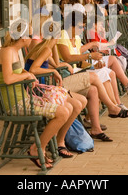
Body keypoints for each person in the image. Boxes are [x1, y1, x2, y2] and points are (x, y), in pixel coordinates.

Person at [0, 21, 76, 169]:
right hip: (16, 104)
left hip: (25, 99)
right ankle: (37, 148)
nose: (33, 38)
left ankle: (48, 144)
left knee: (69, 107)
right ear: (23, 37)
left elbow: (17, 72)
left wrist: (27, 73)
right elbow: (8, 79)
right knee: (63, 112)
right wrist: (27, 76)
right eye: (30, 35)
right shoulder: (7, 52)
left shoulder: (13, 51)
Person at [24, 22, 88, 158]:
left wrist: (58, 64)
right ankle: (60, 141)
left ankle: (60, 139)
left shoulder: (47, 47)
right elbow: (33, 69)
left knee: (82, 100)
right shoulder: (45, 49)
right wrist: (53, 71)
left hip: (43, 87)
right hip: (38, 90)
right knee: (76, 104)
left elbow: (56, 64)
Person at [57, 12, 128, 126]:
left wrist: (92, 66)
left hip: (76, 71)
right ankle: (113, 106)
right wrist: (89, 56)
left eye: (83, 26)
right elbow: (68, 58)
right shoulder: (63, 35)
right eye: (80, 26)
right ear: (70, 25)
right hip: (66, 75)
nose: (83, 29)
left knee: (107, 72)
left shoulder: (77, 38)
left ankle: (112, 108)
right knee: (100, 76)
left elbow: (78, 61)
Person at [87, 15, 128, 97]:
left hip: (117, 54)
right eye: (100, 24)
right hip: (113, 56)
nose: (102, 26)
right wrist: (111, 42)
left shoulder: (97, 33)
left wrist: (103, 34)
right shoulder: (91, 33)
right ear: (94, 25)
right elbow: (97, 48)